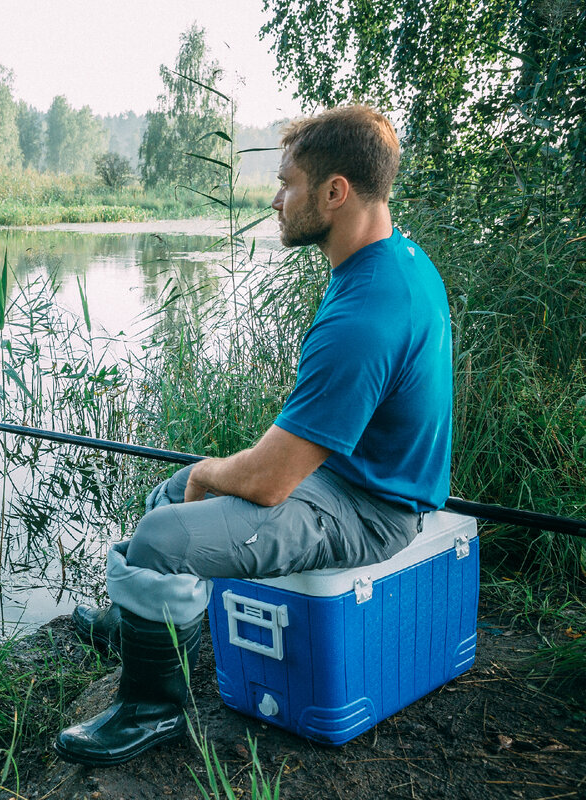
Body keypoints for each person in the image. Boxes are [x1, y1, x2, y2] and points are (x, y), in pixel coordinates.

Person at [54, 105, 453, 767]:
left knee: (161, 534)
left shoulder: (367, 312)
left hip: (372, 509)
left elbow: (271, 481)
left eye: (287, 183)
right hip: (350, 476)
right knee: (171, 490)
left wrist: (211, 474)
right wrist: (197, 478)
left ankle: (152, 712)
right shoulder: (395, 261)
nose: (275, 198)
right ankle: (136, 628)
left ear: (335, 192)